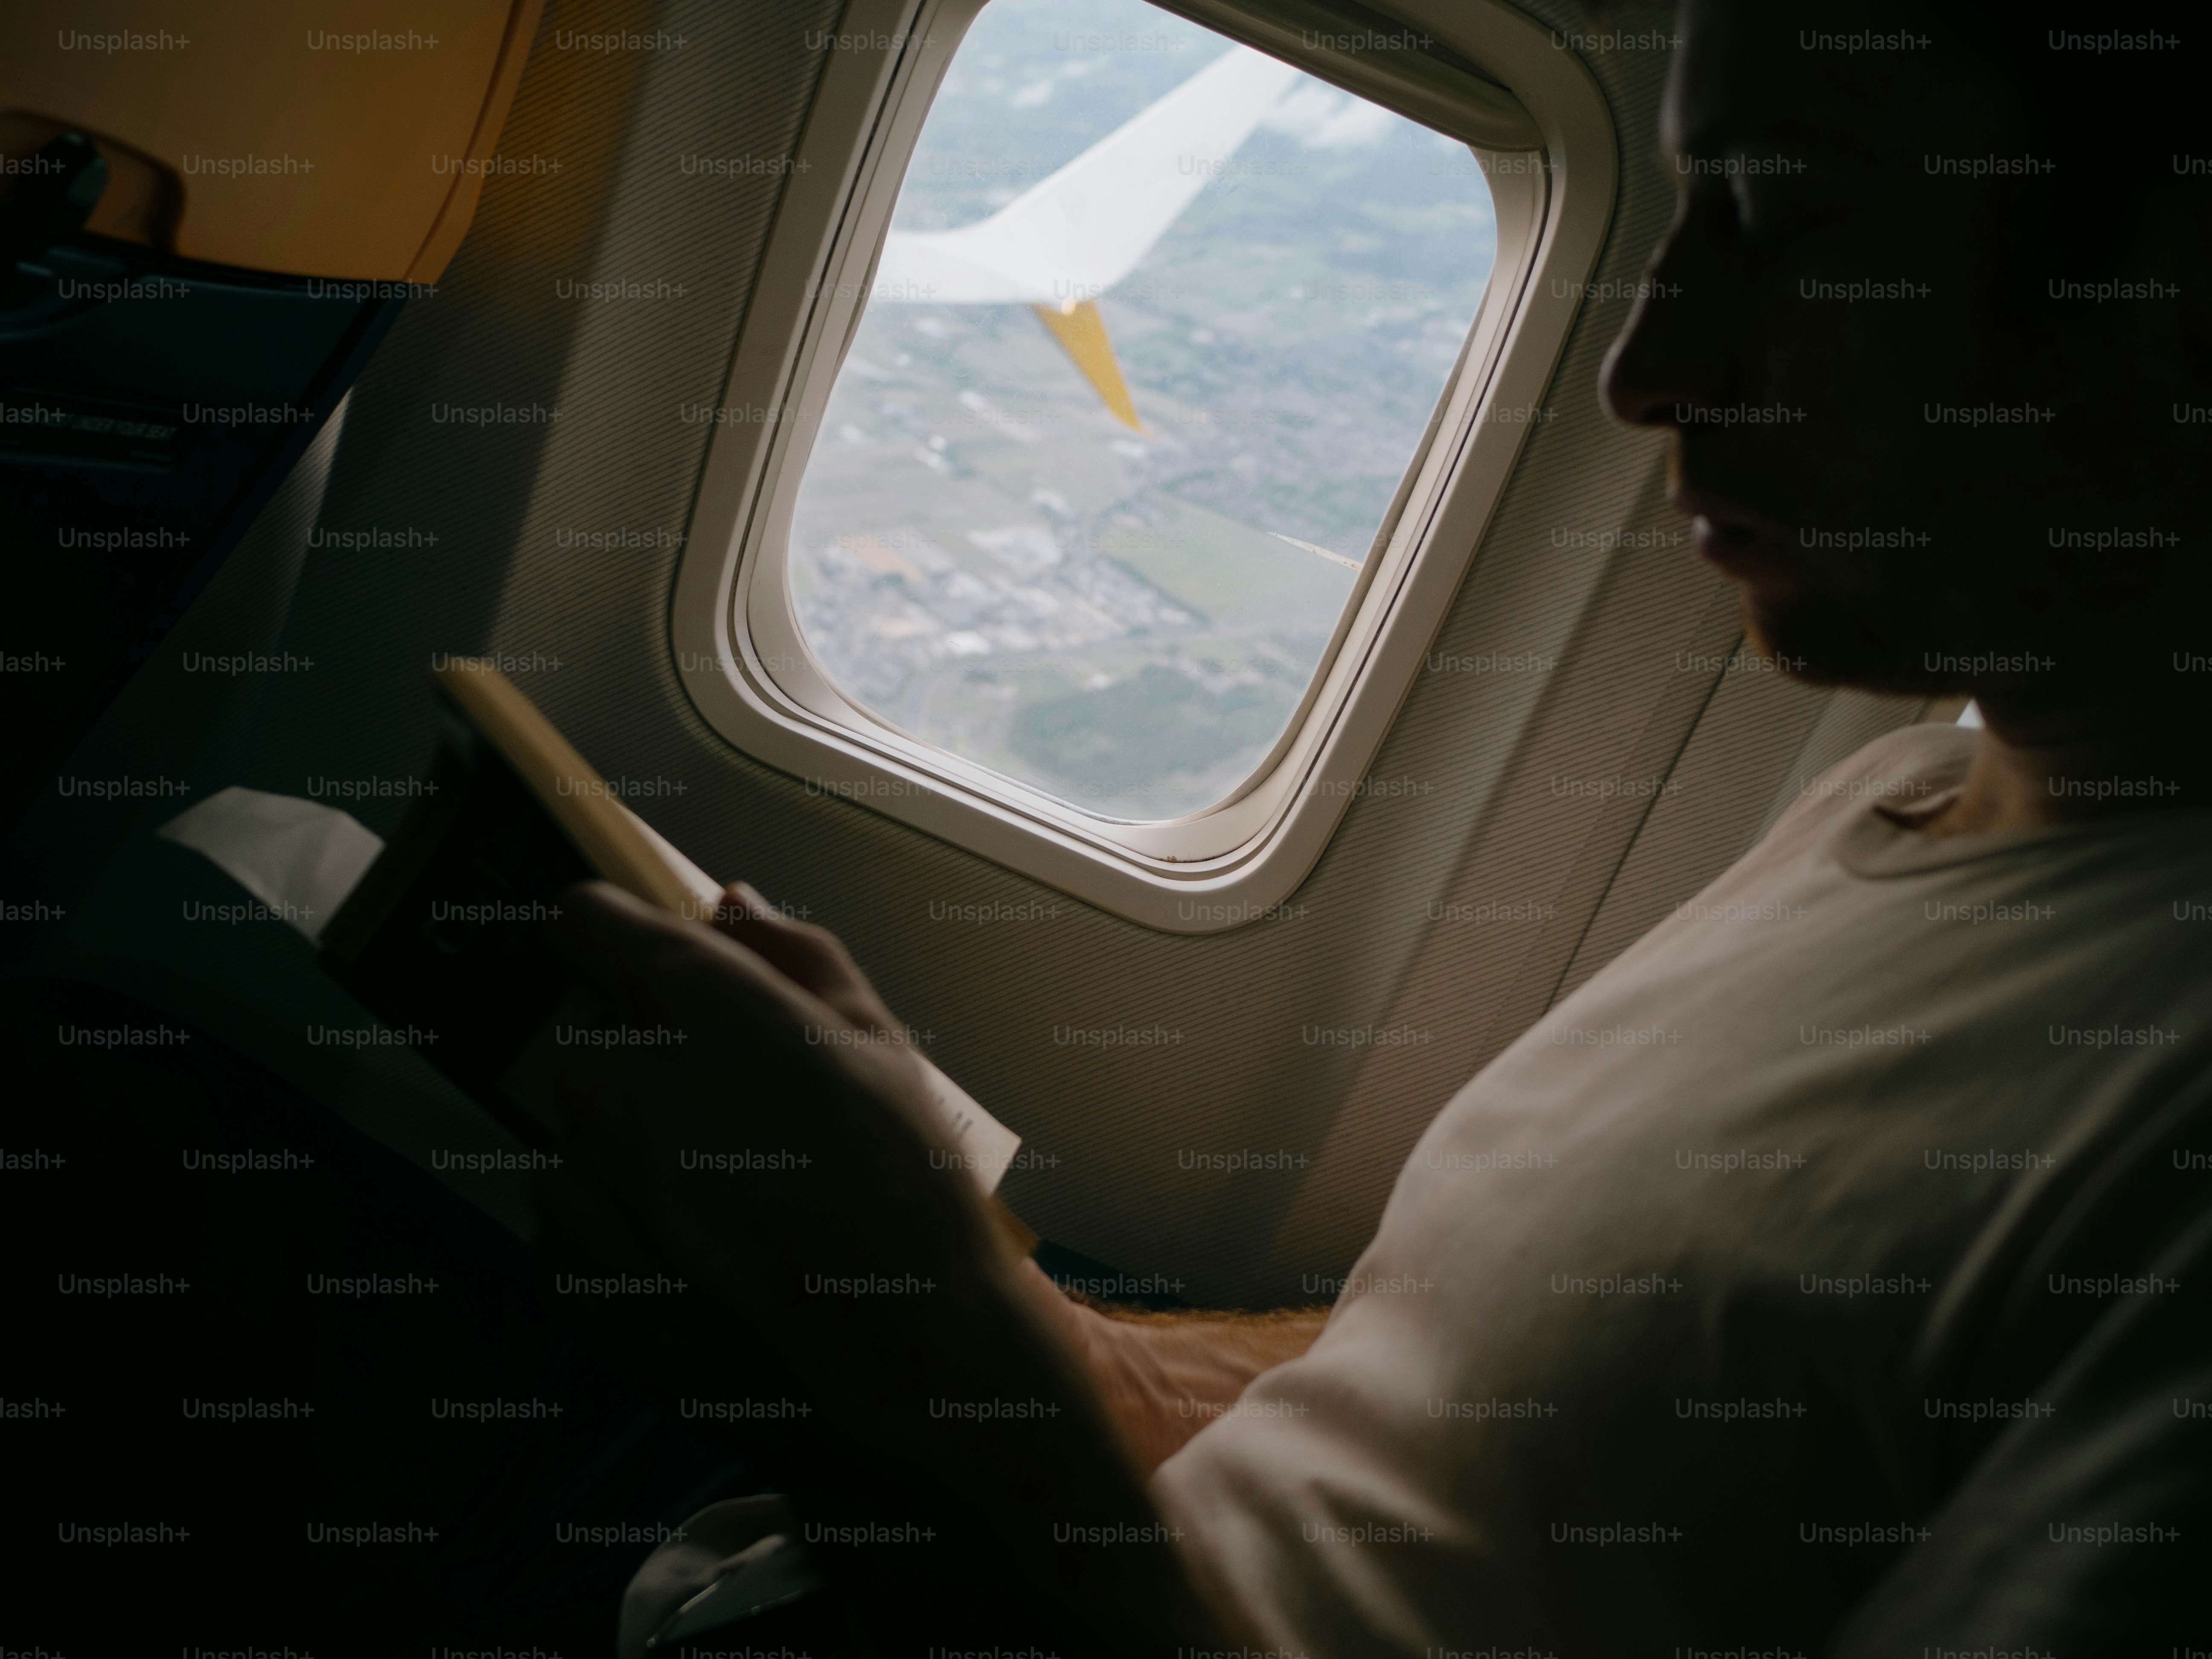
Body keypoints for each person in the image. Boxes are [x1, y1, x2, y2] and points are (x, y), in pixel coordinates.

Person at [533, 1, 2212, 1655]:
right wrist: (1044, 1342)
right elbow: (1502, 1398)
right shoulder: (1927, 801)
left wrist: (915, 1380)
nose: (1647, 371)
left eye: (1789, 216)